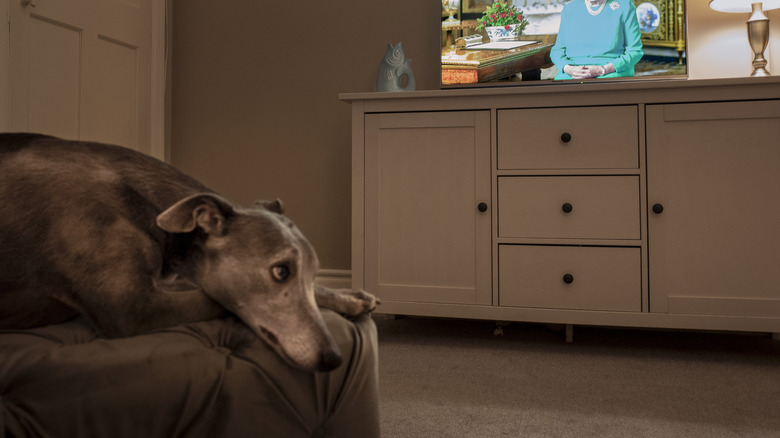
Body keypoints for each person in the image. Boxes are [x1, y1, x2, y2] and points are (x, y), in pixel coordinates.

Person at [550, 0, 643, 80]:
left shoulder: (625, 6)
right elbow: (557, 50)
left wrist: (602, 70)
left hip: (611, 73)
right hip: (572, 75)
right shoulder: (569, 9)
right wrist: (569, 69)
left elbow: (635, 51)